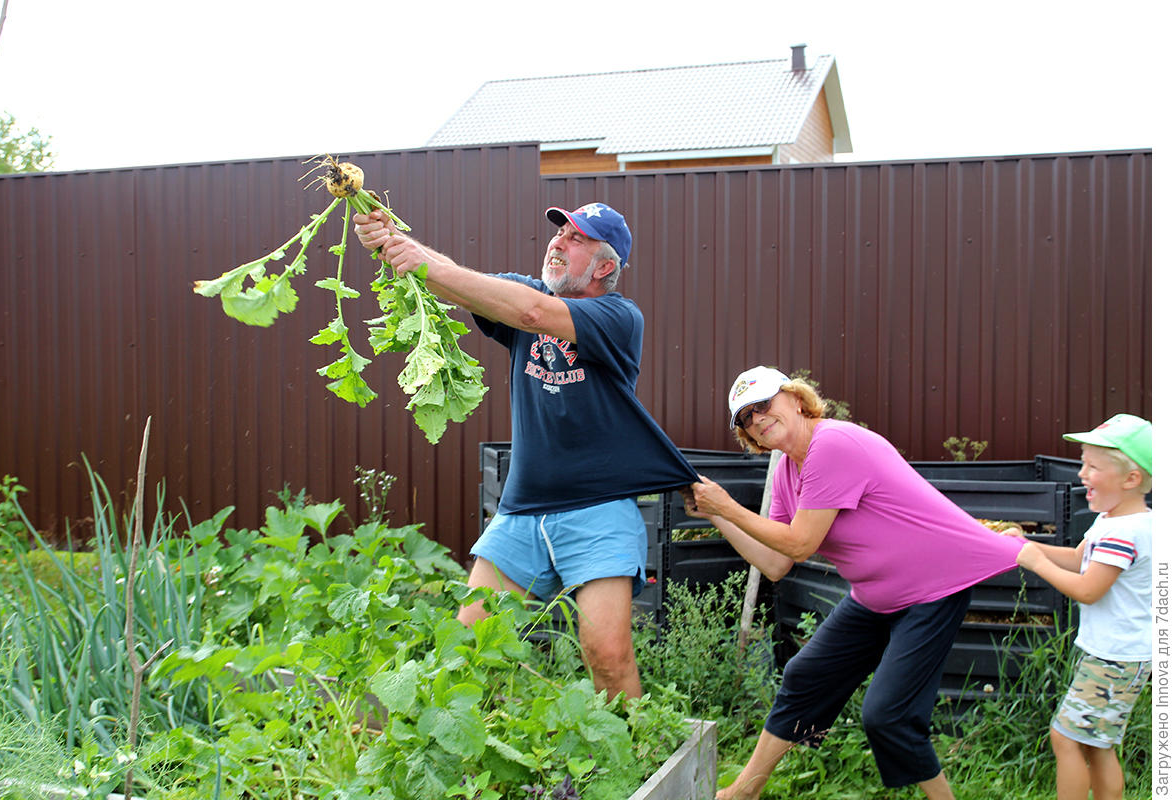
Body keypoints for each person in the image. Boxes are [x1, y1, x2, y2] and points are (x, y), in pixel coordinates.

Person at [353, 201, 697, 701]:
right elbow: (454, 278)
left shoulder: (618, 317)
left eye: (575, 239)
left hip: (598, 507)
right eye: (559, 233)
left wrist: (421, 262)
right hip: (523, 508)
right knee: (465, 649)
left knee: (607, 655)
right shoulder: (526, 292)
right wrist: (392, 241)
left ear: (605, 267)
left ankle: (636, 761)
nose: (557, 242)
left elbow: (531, 313)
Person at [685, 365, 1027, 800]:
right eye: (746, 418)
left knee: (888, 714)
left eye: (764, 405)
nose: (758, 419)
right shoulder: (789, 471)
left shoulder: (832, 445)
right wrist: (715, 513)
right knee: (805, 674)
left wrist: (730, 507)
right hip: (878, 596)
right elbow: (775, 563)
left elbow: (801, 543)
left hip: (931, 590)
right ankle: (745, 792)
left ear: (794, 398)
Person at [1014, 414, 1152, 800]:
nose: (1081, 473)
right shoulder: (1115, 520)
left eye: (1093, 466)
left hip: (1116, 656)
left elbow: (1089, 589)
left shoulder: (1124, 532)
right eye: (1082, 462)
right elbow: (1080, 560)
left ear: (1131, 479)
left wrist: (1036, 563)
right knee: (1097, 744)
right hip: (1117, 653)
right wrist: (1029, 544)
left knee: (1066, 738)